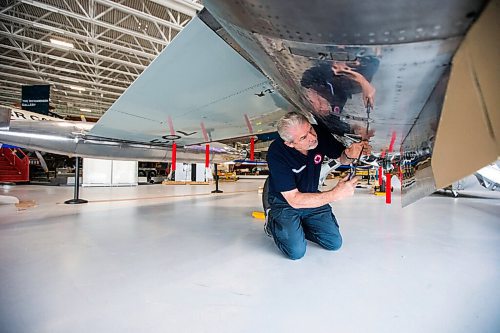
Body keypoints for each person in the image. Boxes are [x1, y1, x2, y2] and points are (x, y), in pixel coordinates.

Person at [265, 111, 369, 260]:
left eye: (310, 130)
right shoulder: (277, 153)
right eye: (303, 137)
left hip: (311, 196)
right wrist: (335, 194)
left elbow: (342, 158)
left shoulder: (318, 134)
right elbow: (294, 199)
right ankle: (273, 224)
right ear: (290, 143)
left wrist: (350, 154)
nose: (312, 138)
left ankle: (298, 227)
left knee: (334, 243)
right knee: (296, 252)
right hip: (285, 203)